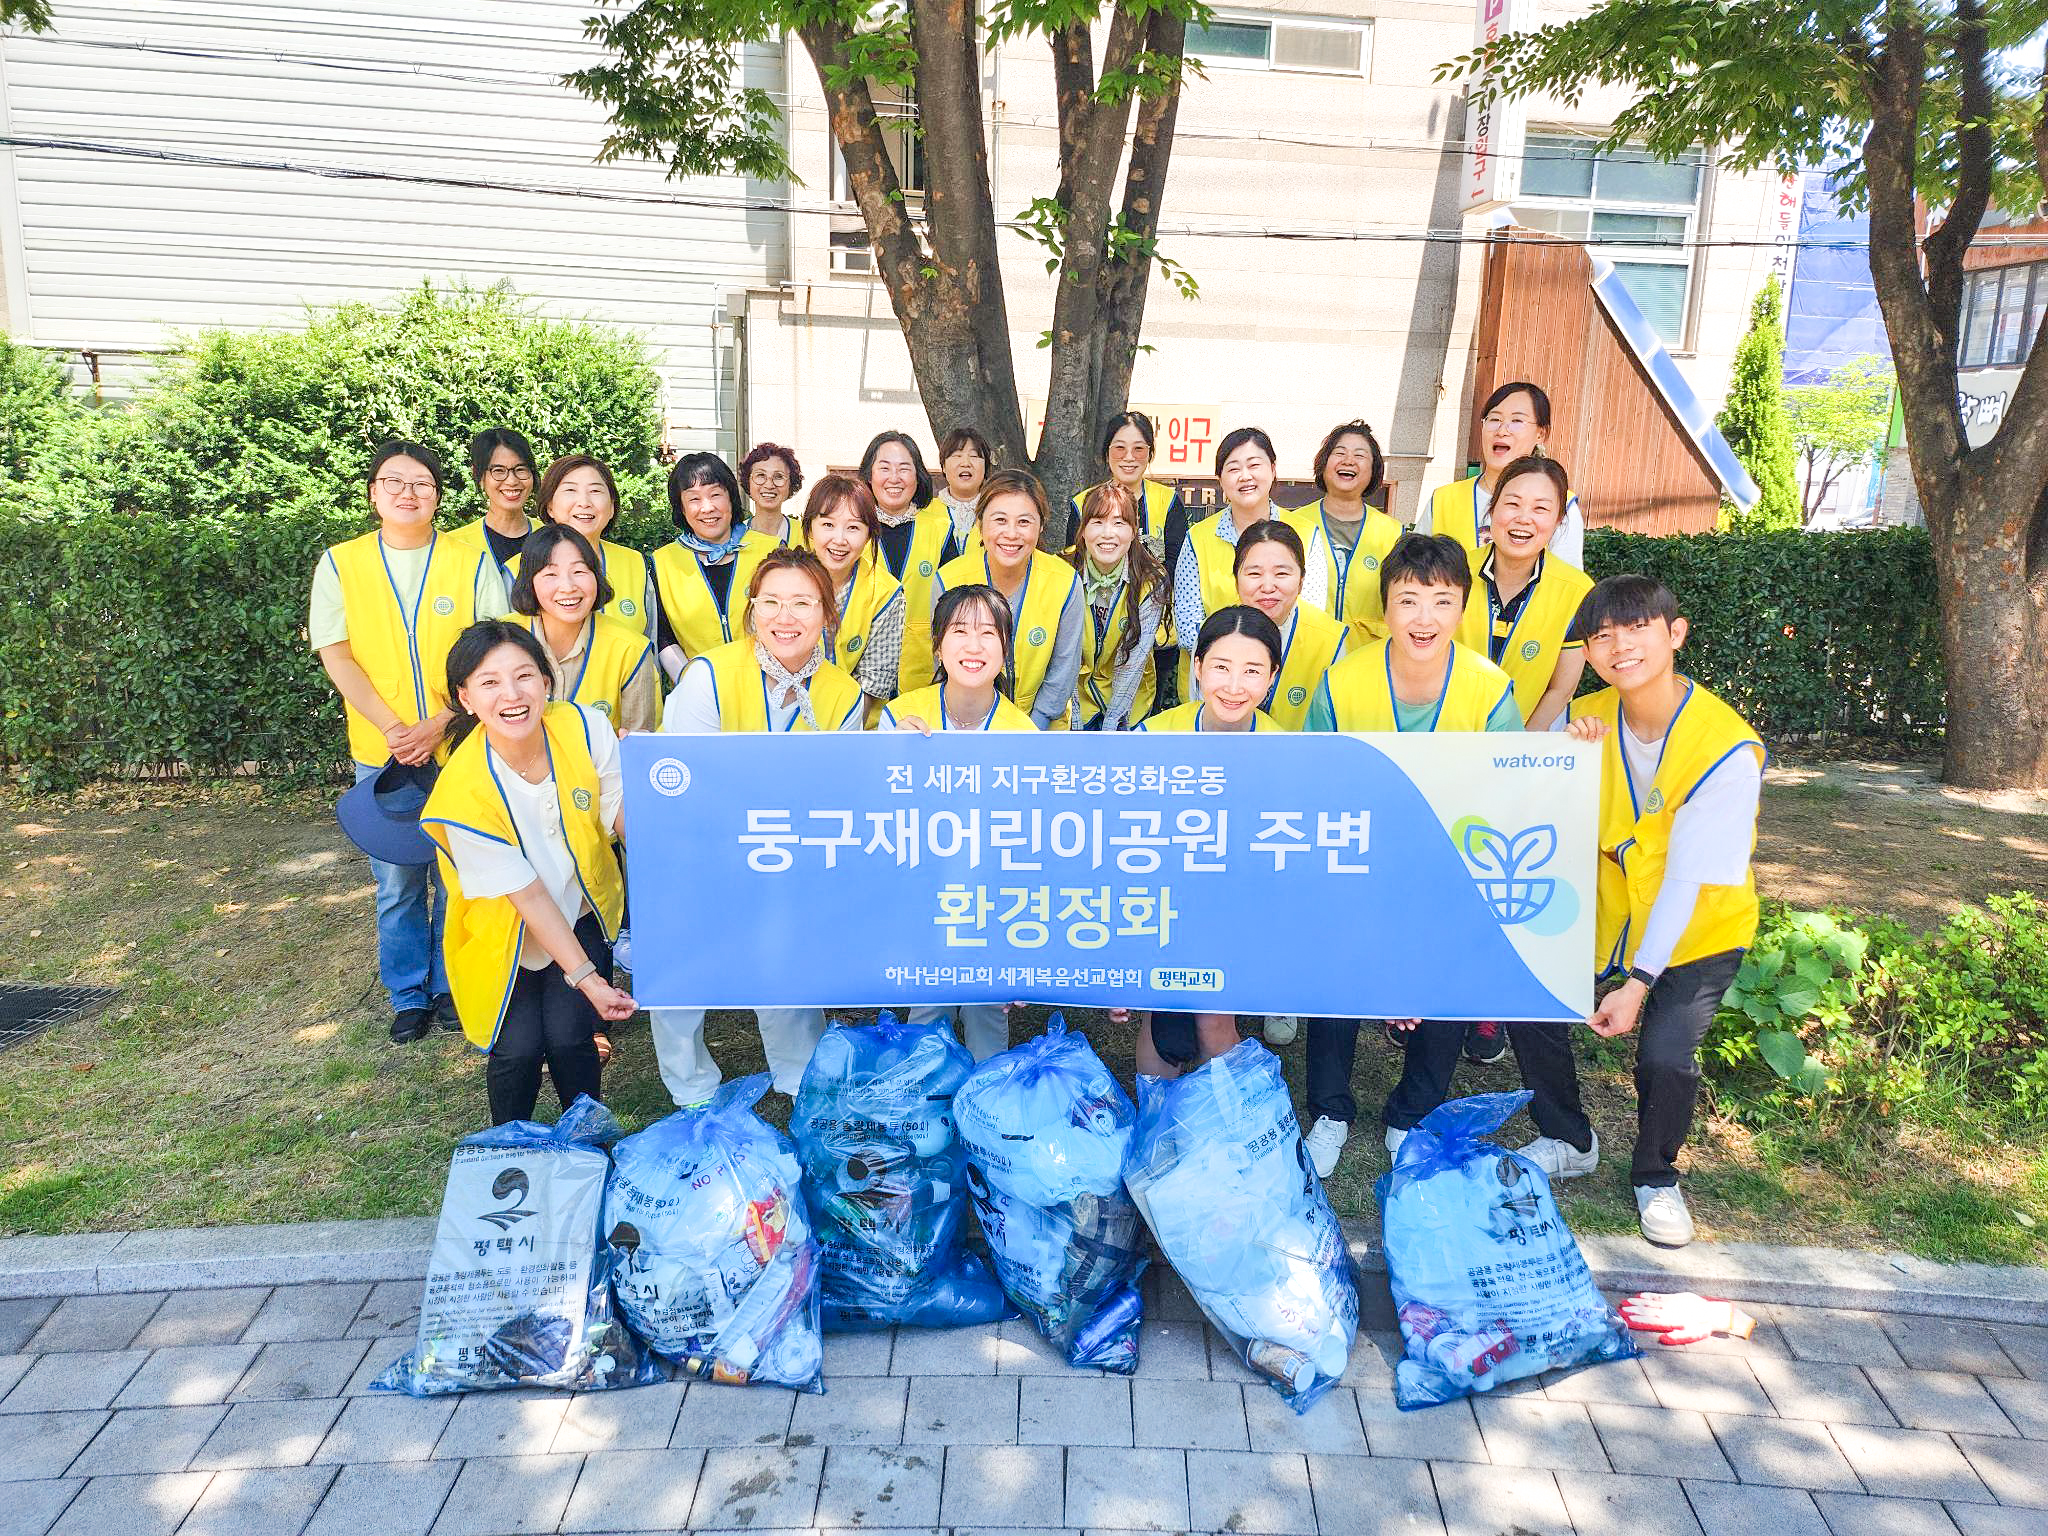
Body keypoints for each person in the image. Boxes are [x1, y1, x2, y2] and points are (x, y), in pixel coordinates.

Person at [1522, 574, 1765, 1248]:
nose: (1619, 645)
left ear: (1675, 634)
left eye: (1636, 628)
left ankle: (1656, 1174)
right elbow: (1527, 784)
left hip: (1697, 929)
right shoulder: (1591, 714)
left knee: (1664, 1053)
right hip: (1609, 912)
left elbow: (1686, 881)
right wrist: (1563, 752)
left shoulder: (1725, 749)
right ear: (1590, 651)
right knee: (1528, 997)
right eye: (1603, 636)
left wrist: (1637, 984)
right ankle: (1569, 1137)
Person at [1300, 532, 1522, 1178]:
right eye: (1408, 601)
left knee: (1448, 975)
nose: (1424, 618)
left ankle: (1411, 1113)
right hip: (1360, 862)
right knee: (1335, 972)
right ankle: (1331, 1109)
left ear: (1462, 609)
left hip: (1449, 869)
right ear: (1386, 607)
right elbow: (1317, 783)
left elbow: (1505, 793)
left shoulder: (1488, 688)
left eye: (1441, 601)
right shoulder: (1343, 682)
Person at [650, 547, 864, 1105]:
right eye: (770, 602)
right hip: (702, 845)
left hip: (787, 850)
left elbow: (835, 789)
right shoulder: (709, 675)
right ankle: (690, 1085)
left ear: (827, 613)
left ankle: (800, 1075)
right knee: (680, 956)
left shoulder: (842, 693)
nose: (785, 616)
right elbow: (684, 781)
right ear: (750, 610)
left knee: (787, 950)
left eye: (802, 602)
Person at [311, 440, 510, 1043]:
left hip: (459, 743)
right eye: (393, 481)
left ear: (438, 495)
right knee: (396, 877)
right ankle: (408, 993)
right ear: (374, 493)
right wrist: (393, 727)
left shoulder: (469, 560)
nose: (407, 492)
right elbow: (336, 652)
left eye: (421, 482)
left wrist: (441, 722)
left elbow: (494, 647)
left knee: (457, 869)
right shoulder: (341, 563)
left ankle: (452, 984)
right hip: (380, 749)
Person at [418, 622, 636, 1125]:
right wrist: (588, 979)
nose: (512, 695)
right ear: (465, 698)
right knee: (516, 1050)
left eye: (524, 676)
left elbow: (622, 817)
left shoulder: (584, 727)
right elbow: (530, 896)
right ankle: (508, 1151)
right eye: (489, 682)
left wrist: (650, 784)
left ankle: (588, 1142)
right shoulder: (462, 792)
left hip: (581, 912)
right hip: (504, 932)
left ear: (546, 680)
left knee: (570, 1035)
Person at [884, 583, 1040, 1060]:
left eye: (989, 634)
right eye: (959, 631)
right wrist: (888, 753)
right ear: (937, 645)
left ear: (1006, 650)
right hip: (917, 895)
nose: (974, 647)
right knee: (926, 1013)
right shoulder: (900, 718)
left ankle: (985, 1103)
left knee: (987, 1017)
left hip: (991, 904)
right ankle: (920, 1100)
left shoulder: (1024, 735)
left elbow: (1033, 849)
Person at [1131, 606, 1283, 1078]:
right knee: (1162, 1017)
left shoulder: (1287, 751)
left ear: (1273, 676)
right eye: (1221, 667)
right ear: (1197, 667)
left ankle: (1224, 1124)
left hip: (1242, 905)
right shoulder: (1153, 737)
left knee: (1215, 1019)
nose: (1234, 686)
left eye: (1252, 671)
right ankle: (1158, 1125)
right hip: (1164, 899)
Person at [1174, 427, 1327, 691]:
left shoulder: (1306, 534)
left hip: (1288, 679)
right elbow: (1188, 626)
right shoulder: (1198, 539)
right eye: (1233, 468)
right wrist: (1238, 663)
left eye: (1254, 465)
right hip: (1216, 685)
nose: (1245, 476)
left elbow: (1311, 614)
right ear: (1220, 479)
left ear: (1273, 469)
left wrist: (1266, 661)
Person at [931, 470, 1083, 729]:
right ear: (980, 523)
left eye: (1024, 522)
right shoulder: (949, 579)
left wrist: (1031, 729)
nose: (1011, 534)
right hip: (968, 723)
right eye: (1000, 520)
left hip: (1041, 727)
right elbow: (944, 662)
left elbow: (1064, 667)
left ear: (1041, 525)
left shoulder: (1065, 582)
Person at [1458, 455, 1593, 731]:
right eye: (1512, 504)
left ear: (1558, 520)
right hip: (1441, 740)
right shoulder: (1451, 573)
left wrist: (1518, 749)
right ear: (1493, 509)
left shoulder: (1577, 592)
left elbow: (1561, 689)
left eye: (1540, 509)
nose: (1523, 518)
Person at [507, 523, 659, 734]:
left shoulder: (630, 650)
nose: (568, 587)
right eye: (551, 575)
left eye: (579, 571)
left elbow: (640, 744)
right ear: (529, 582)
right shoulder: (501, 641)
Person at [1418, 382, 1585, 568]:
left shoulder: (1559, 504)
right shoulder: (1444, 499)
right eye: (1494, 419)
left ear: (1541, 434)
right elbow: (1414, 568)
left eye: (1516, 421)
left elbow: (1566, 581)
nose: (1502, 430)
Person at [651, 451, 778, 682]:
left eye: (715, 494)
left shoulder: (772, 552)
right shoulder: (662, 563)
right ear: (681, 507)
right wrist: (691, 684)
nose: (707, 507)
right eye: (694, 499)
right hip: (700, 689)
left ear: (731, 497)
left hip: (769, 685)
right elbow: (663, 636)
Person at [1283, 420, 1404, 642]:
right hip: (1305, 654)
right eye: (1340, 453)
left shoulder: (1393, 534)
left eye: (1360, 455)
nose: (1349, 461)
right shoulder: (1294, 525)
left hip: (1367, 660)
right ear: (1324, 464)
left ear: (1374, 470)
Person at [859, 431, 958, 694]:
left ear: (918, 476)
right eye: (884, 468)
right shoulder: (852, 528)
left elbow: (956, 604)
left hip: (924, 673)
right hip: (861, 670)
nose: (894, 478)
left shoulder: (941, 531)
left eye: (904, 468)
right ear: (869, 475)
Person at [1225, 521, 1345, 733]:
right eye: (1254, 574)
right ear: (1236, 581)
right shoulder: (1216, 633)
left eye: (1281, 574)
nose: (1268, 587)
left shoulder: (1332, 641)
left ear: (1301, 581)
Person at [802, 473, 906, 717]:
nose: (839, 540)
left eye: (853, 528)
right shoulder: (782, 581)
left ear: (869, 534)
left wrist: (842, 732)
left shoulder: (887, 594)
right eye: (828, 525)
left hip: (855, 723)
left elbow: (874, 681)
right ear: (809, 528)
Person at [1067, 482, 1166, 730]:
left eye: (1119, 523)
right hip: (1075, 698)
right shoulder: (1062, 572)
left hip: (1129, 699)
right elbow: (1062, 658)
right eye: (1097, 522)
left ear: (1134, 531)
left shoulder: (1152, 581)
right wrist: (1075, 724)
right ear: (1082, 530)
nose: (1108, 534)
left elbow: (1135, 659)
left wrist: (1113, 725)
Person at [535, 455, 658, 640]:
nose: (584, 502)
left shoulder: (634, 564)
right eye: (570, 490)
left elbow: (650, 643)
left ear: (612, 507)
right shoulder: (521, 568)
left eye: (595, 491)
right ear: (550, 506)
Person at [1073, 410, 1183, 564]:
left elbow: (1176, 565)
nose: (1129, 457)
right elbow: (1074, 563)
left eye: (1138, 449)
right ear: (1107, 452)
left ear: (1150, 453)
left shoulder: (1168, 502)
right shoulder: (1082, 503)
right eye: (1120, 448)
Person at [449, 427, 538, 581]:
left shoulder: (552, 540)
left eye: (521, 469)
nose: (512, 481)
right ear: (479, 476)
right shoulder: (455, 545)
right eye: (498, 470)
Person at [930, 427, 992, 547]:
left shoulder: (996, 512)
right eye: (957, 456)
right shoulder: (925, 511)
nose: (965, 463)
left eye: (974, 456)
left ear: (985, 467)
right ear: (943, 466)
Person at [739, 442, 804, 546]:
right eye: (760, 475)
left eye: (778, 476)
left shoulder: (806, 535)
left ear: (790, 483)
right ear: (748, 481)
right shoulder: (735, 537)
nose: (769, 485)